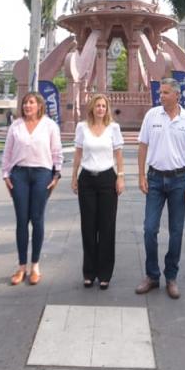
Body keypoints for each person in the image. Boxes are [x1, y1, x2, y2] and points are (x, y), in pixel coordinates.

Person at [135, 77, 185, 299]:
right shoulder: (152, 115)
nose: (161, 96)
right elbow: (142, 146)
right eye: (160, 92)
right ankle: (152, 275)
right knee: (149, 229)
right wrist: (141, 175)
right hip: (154, 179)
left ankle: (171, 276)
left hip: (179, 180)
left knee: (176, 231)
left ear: (177, 95)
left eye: (165, 93)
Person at [2, 91, 63, 285]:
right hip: (19, 174)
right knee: (22, 220)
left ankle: (35, 265)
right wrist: (6, 175)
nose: (27, 106)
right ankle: (21, 267)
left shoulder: (50, 126)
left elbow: (57, 152)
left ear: (39, 105)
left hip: (42, 174)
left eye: (31, 102)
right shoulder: (16, 126)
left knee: (37, 219)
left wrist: (56, 175)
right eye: (25, 103)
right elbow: (7, 152)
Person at [71, 93, 124, 289]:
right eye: (98, 105)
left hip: (107, 179)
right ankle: (89, 272)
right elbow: (78, 153)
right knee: (88, 227)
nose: (101, 108)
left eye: (103, 106)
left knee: (107, 227)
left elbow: (119, 154)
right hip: (87, 180)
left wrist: (121, 176)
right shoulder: (82, 127)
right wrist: (74, 176)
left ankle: (104, 273)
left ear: (107, 109)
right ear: (92, 108)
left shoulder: (113, 128)